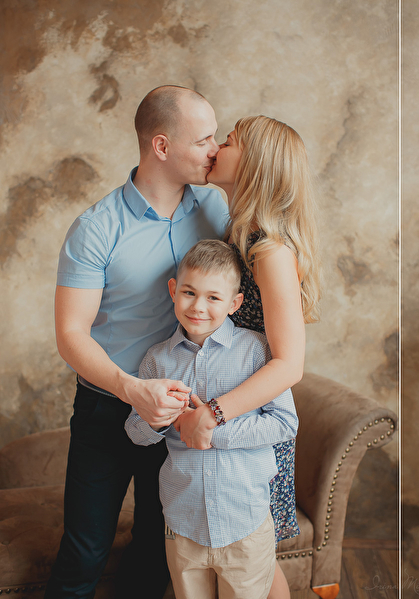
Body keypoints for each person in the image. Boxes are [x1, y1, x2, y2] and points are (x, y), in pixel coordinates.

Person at [49, 85, 227, 598]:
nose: (215, 149)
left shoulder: (217, 210)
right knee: (84, 551)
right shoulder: (95, 228)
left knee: (157, 550)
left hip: (183, 411)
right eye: (204, 139)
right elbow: (70, 334)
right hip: (106, 408)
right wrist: (132, 389)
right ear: (162, 146)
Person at [173, 114, 321, 598]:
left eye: (230, 142)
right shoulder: (237, 235)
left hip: (249, 421)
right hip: (229, 417)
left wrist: (213, 415)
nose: (217, 147)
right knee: (253, 561)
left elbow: (289, 364)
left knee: (254, 557)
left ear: (254, 163)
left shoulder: (269, 251)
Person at [125, 239, 298, 599]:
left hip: (245, 523)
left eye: (213, 297)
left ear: (235, 303)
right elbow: (136, 433)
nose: (198, 307)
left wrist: (210, 430)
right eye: (189, 292)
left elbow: (284, 423)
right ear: (173, 290)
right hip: (182, 524)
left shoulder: (257, 350)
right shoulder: (157, 360)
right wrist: (161, 419)